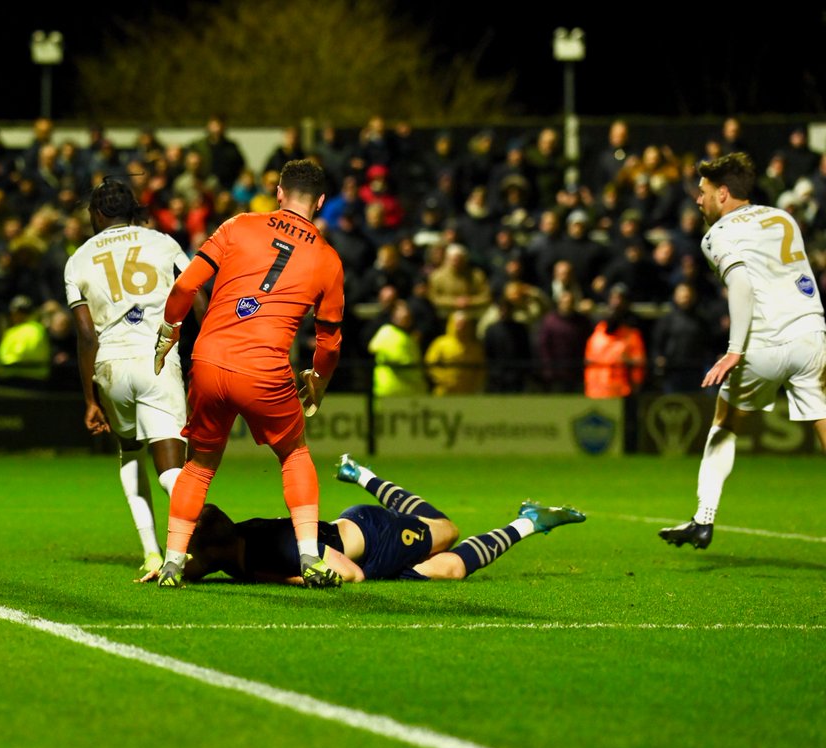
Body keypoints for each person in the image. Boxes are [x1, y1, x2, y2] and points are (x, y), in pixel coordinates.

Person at [151, 159, 345, 588]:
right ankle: (310, 557)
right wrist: (318, 382)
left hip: (209, 361)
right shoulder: (328, 259)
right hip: (264, 368)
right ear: (321, 202)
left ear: (278, 193)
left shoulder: (238, 225)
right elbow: (329, 342)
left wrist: (168, 332)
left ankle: (173, 561)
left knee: (200, 466)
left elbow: (185, 286)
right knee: (294, 454)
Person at [660, 152, 826, 550]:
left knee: (725, 421)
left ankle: (703, 519)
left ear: (722, 192)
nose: (697, 201)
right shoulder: (783, 217)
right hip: (811, 334)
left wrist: (735, 350)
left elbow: (742, 285)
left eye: (702, 193)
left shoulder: (716, 235)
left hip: (762, 344)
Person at [140, 455, 585, 585]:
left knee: (447, 531)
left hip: (372, 535)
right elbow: (195, 568)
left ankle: (363, 475)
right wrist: (168, 566)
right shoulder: (225, 552)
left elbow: (347, 574)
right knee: (450, 568)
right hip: (369, 555)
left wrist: (298, 579)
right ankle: (531, 521)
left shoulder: (272, 550)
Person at [63, 179, 192, 574]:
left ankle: (151, 552)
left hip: (112, 366)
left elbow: (86, 334)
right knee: (172, 470)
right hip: (158, 359)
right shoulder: (164, 243)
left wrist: (90, 399)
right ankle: (202, 537)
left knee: (130, 450)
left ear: (97, 214)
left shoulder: (78, 259)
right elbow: (195, 294)